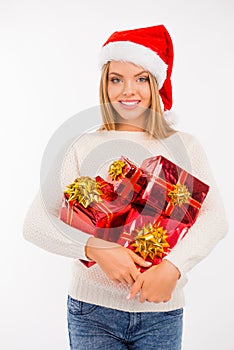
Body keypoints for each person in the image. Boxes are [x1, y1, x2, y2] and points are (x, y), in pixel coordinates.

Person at [23, 25, 228, 350]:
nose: (127, 90)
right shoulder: (81, 146)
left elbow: (215, 219)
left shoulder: (183, 146)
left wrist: (174, 267)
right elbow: (35, 223)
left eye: (141, 78)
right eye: (116, 78)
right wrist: (97, 248)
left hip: (161, 312)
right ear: (104, 85)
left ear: (156, 83)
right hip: (92, 312)